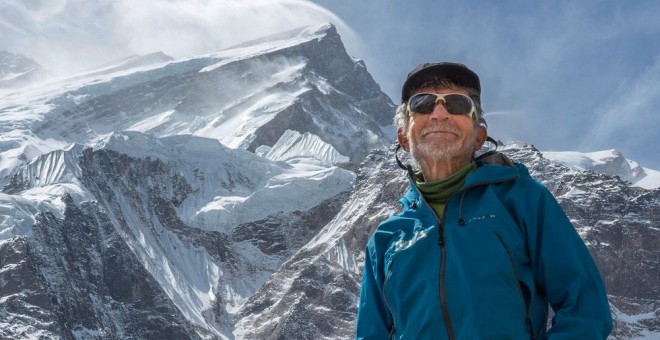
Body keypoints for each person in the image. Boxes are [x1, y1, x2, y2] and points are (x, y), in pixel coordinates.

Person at [355, 62, 612, 339]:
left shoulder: (522, 200)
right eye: (423, 103)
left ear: (479, 135)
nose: (439, 113)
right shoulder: (385, 239)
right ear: (404, 137)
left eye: (457, 104)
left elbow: (586, 308)